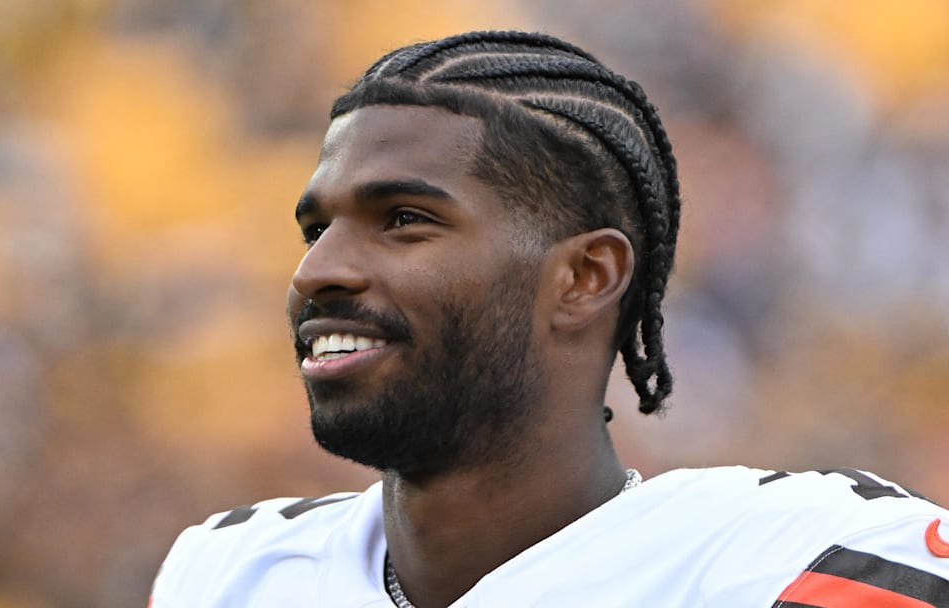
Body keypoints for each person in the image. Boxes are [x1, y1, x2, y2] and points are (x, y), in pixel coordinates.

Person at [150, 31, 949, 607]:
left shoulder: (789, 565)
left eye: (402, 220)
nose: (316, 271)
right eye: (316, 229)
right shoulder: (232, 571)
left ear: (583, 277)